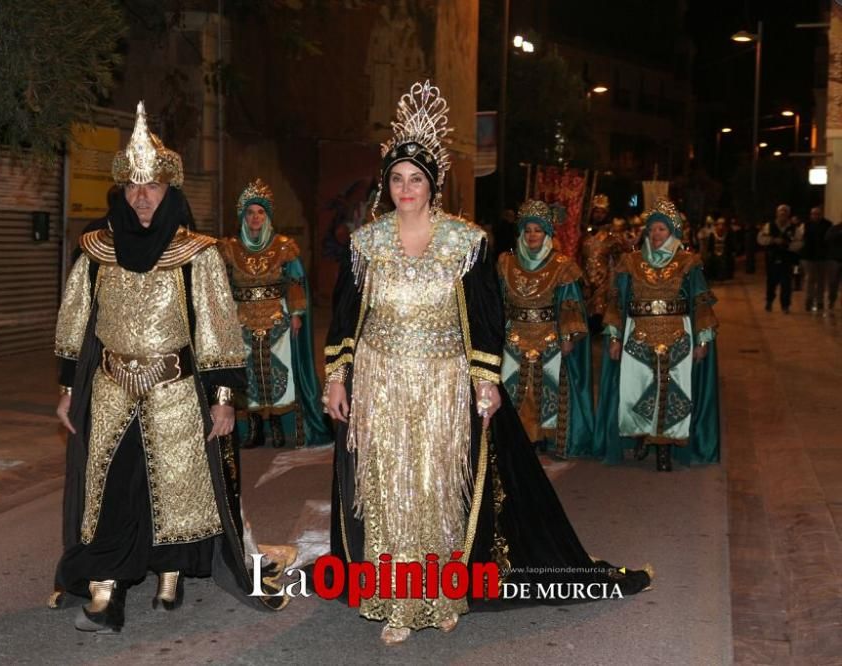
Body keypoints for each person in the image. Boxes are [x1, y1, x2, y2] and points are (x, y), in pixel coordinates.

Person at [323, 80, 650, 646]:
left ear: (433, 185)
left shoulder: (465, 242)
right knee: (388, 488)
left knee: (439, 486)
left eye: (416, 179)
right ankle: (398, 600)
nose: (406, 188)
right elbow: (345, 317)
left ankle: (445, 589)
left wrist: (485, 380)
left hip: (444, 379)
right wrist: (336, 376)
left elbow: (485, 317)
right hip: (381, 383)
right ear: (389, 183)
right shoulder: (365, 244)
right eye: (397, 178)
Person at [49, 102, 283, 633]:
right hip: (110, 388)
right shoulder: (95, 250)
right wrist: (68, 387)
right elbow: (74, 320)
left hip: (175, 392)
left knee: (174, 489)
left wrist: (224, 398)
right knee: (112, 486)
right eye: (133, 186)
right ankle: (106, 589)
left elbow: (219, 327)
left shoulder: (195, 254)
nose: (142, 196)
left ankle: (172, 569)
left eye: (152, 186)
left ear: (170, 191)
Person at [594, 198, 720, 472]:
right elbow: (617, 302)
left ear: (673, 232)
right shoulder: (631, 262)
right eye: (653, 229)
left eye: (662, 229)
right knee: (637, 388)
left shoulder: (688, 262)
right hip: (637, 336)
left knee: (672, 389)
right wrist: (614, 337)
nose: (656, 234)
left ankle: (663, 448)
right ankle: (642, 435)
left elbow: (700, 301)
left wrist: (702, 339)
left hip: (678, 335)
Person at [218, 179, 332, 448]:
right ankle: (254, 426)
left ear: (267, 216)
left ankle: (278, 425)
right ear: (243, 217)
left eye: (260, 212)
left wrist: (296, 313)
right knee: (249, 372)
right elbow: (221, 286)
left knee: (277, 372)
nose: (255, 217)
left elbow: (295, 282)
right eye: (250, 212)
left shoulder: (283, 246)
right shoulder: (229, 248)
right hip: (241, 319)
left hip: (277, 321)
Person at [496, 199, 593, 458]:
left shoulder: (562, 266)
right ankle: (518, 436)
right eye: (527, 230)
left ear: (547, 233)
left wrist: (567, 336)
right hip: (514, 335)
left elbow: (571, 304)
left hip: (549, 336)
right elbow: (499, 300)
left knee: (547, 388)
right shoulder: (506, 263)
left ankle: (543, 438)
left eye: (537, 230)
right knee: (514, 387)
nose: (532, 235)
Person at [581, 194, 627, 332]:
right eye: (596, 211)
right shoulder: (584, 233)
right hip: (586, 277)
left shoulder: (612, 234)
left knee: (599, 310)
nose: (599, 215)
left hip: (604, 279)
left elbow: (620, 257)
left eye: (602, 212)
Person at [757, 204, 803, 312]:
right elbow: (760, 239)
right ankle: (769, 301)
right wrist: (773, 240)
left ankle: (785, 305)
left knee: (786, 283)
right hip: (772, 259)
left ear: (788, 214)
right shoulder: (769, 225)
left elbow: (800, 242)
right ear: (777, 213)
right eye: (781, 212)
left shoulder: (794, 228)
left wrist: (788, 246)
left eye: (785, 212)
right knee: (771, 282)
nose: (783, 214)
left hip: (787, 259)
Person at [800, 206, 833, 312]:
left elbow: (830, 240)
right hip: (808, 256)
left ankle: (820, 301)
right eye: (813, 214)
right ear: (811, 215)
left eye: (817, 214)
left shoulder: (828, 225)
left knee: (821, 280)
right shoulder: (805, 225)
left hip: (823, 257)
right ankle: (809, 300)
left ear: (821, 214)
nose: (815, 216)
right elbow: (801, 239)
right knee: (810, 279)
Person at [702, 217, 736, 282]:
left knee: (725, 261)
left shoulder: (728, 233)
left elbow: (731, 244)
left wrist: (733, 251)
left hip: (725, 253)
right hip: (714, 253)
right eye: (719, 224)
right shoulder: (713, 234)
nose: (721, 226)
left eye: (722, 224)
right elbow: (710, 245)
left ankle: (723, 276)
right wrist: (709, 252)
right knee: (709, 262)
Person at [826, 217, 842, 312]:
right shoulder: (835, 228)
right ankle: (831, 301)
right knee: (833, 283)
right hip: (835, 259)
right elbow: (827, 238)